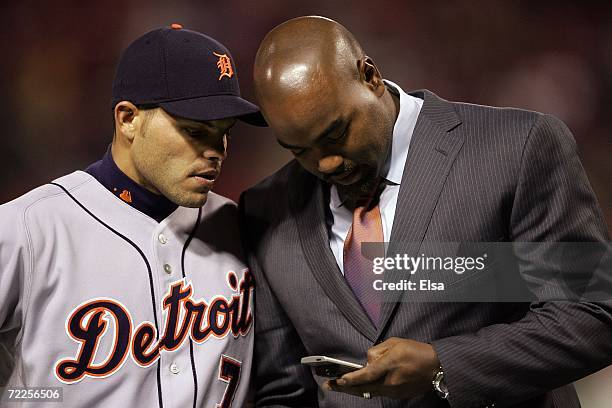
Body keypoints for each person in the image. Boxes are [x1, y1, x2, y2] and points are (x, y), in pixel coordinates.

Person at [239, 16, 612, 407]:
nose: (325, 163)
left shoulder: (515, 149)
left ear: (370, 76)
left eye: (335, 134)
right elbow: (284, 391)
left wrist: (443, 364)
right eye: (299, 150)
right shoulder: (267, 209)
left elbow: (592, 314)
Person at [0, 24, 263, 407]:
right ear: (128, 119)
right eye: (194, 130)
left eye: (224, 132)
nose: (216, 151)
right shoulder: (28, 228)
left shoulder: (239, 228)